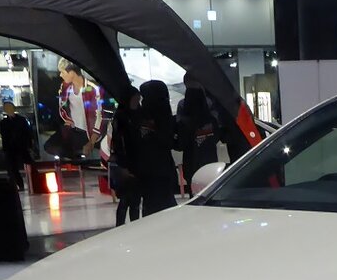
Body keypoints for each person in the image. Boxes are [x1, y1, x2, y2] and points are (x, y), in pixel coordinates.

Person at [113, 82, 178, 225]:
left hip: (153, 171)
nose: (142, 102)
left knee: (154, 210)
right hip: (153, 171)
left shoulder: (152, 117)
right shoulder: (136, 116)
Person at [176, 76, 221, 188]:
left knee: (194, 190)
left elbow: (181, 142)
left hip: (191, 162)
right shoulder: (211, 116)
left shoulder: (184, 118)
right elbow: (217, 136)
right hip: (210, 161)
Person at [58, 62, 105, 159]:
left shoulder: (93, 88)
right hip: (72, 130)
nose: (60, 75)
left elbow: (99, 116)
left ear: (72, 72)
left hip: (88, 134)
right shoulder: (65, 86)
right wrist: (67, 120)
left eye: (62, 72)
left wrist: (91, 142)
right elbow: (62, 105)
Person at [0, 100, 34, 191]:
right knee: (13, 168)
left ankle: (34, 183)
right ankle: (19, 184)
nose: (8, 109)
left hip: (22, 146)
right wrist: (5, 148)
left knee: (29, 164)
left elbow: (27, 133)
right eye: (6, 108)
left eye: (10, 107)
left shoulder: (21, 120)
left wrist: (29, 145)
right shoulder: (3, 122)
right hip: (10, 148)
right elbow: (4, 136)